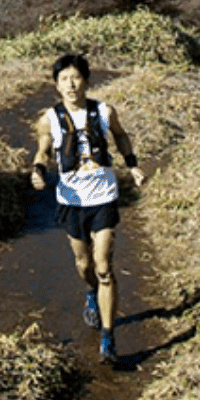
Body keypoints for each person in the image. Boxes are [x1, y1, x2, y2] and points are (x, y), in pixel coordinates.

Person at [31, 51, 144, 365]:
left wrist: (132, 166)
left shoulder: (105, 111)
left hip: (104, 196)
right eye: (64, 79)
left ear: (86, 80)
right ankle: (91, 292)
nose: (71, 84)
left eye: (76, 77)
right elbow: (42, 151)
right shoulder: (49, 118)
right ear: (56, 85)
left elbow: (120, 136)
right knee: (84, 266)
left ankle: (108, 337)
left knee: (104, 265)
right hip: (72, 201)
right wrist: (38, 171)